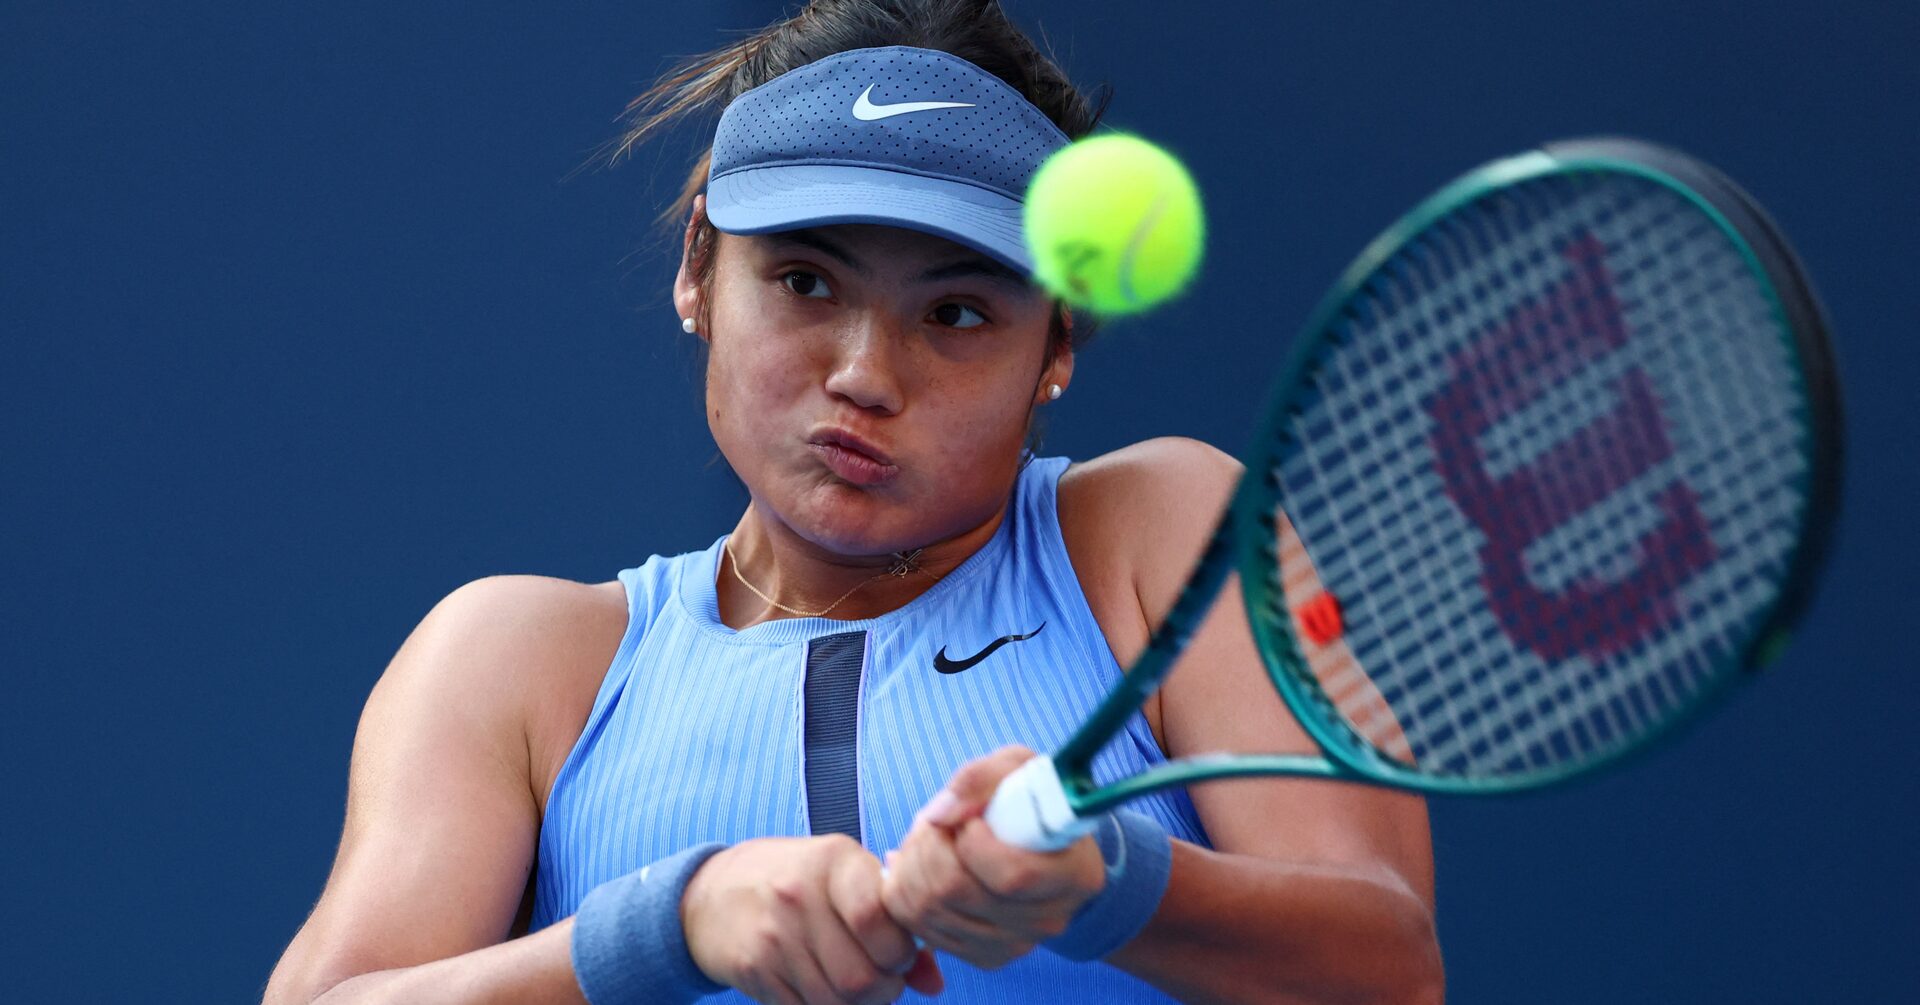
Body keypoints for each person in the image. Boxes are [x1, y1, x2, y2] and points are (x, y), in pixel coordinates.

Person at [263, 2, 1442, 1002]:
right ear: (698, 269)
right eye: (805, 281)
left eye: (958, 313)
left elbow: (1394, 969)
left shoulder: (1166, 536)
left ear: (1056, 346)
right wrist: (669, 923)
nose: (868, 376)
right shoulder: (513, 660)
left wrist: (1109, 883)